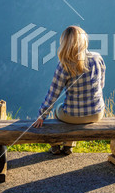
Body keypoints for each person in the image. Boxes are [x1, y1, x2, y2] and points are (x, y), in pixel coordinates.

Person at [33, 25, 106, 155]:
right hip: (96, 114)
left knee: (58, 110)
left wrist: (41, 115)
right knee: (69, 109)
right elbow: (100, 85)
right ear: (84, 41)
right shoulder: (97, 58)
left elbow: (53, 95)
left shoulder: (64, 65)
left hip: (73, 116)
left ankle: (55, 144)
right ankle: (68, 146)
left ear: (64, 43)